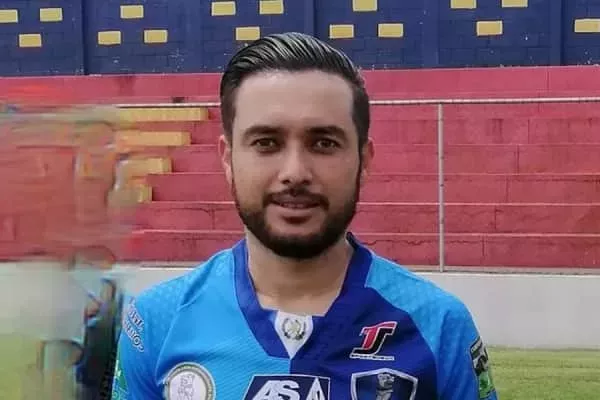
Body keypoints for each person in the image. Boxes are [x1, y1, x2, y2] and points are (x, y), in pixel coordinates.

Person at [112, 32, 498, 400]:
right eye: (267, 143)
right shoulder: (157, 322)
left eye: (324, 143)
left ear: (363, 160)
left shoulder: (438, 325)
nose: (295, 172)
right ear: (228, 159)